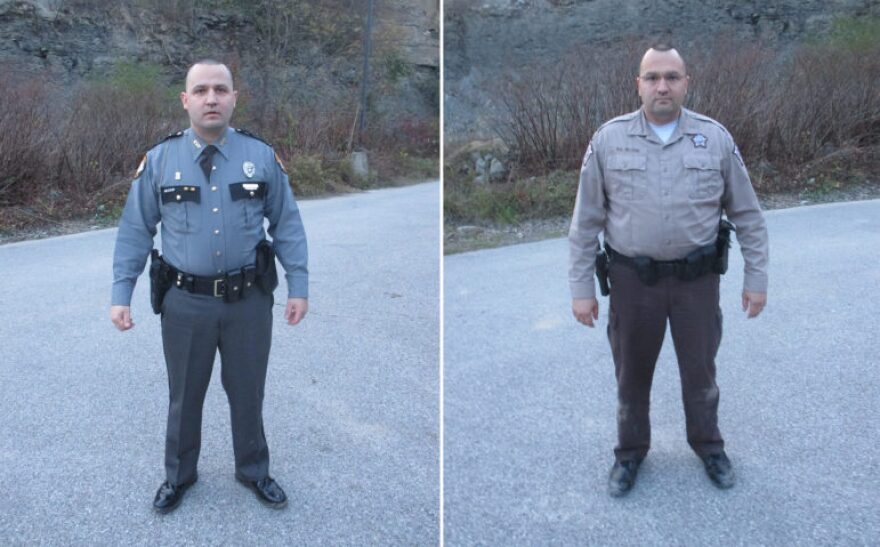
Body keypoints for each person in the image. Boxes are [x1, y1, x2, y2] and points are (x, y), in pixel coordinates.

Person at [568, 44, 769, 497]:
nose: (663, 85)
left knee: (701, 373)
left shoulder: (715, 138)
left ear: (686, 83)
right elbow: (585, 223)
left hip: (697, 284)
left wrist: (756, 279)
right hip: (632, 283)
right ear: (637, 84)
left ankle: (709, 446)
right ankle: (629, 453)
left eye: (672, 77)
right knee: (631, 376)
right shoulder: (609, 139)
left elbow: (749, 216)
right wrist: (582, 288)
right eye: (653, 76)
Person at [110, 60, 309, 513]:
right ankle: (179, 476)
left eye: (221, 89)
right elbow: (135, 232)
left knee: (248, 391)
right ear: (186, 101)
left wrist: (299, 284)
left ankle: (254, 470)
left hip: (248, 302)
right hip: (185, 304)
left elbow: (287, 223)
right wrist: (121, 294)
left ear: (235, 97)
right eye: (201, 90)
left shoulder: (260, 156)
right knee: (184, 395)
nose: (211, 98)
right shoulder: (160, 160)